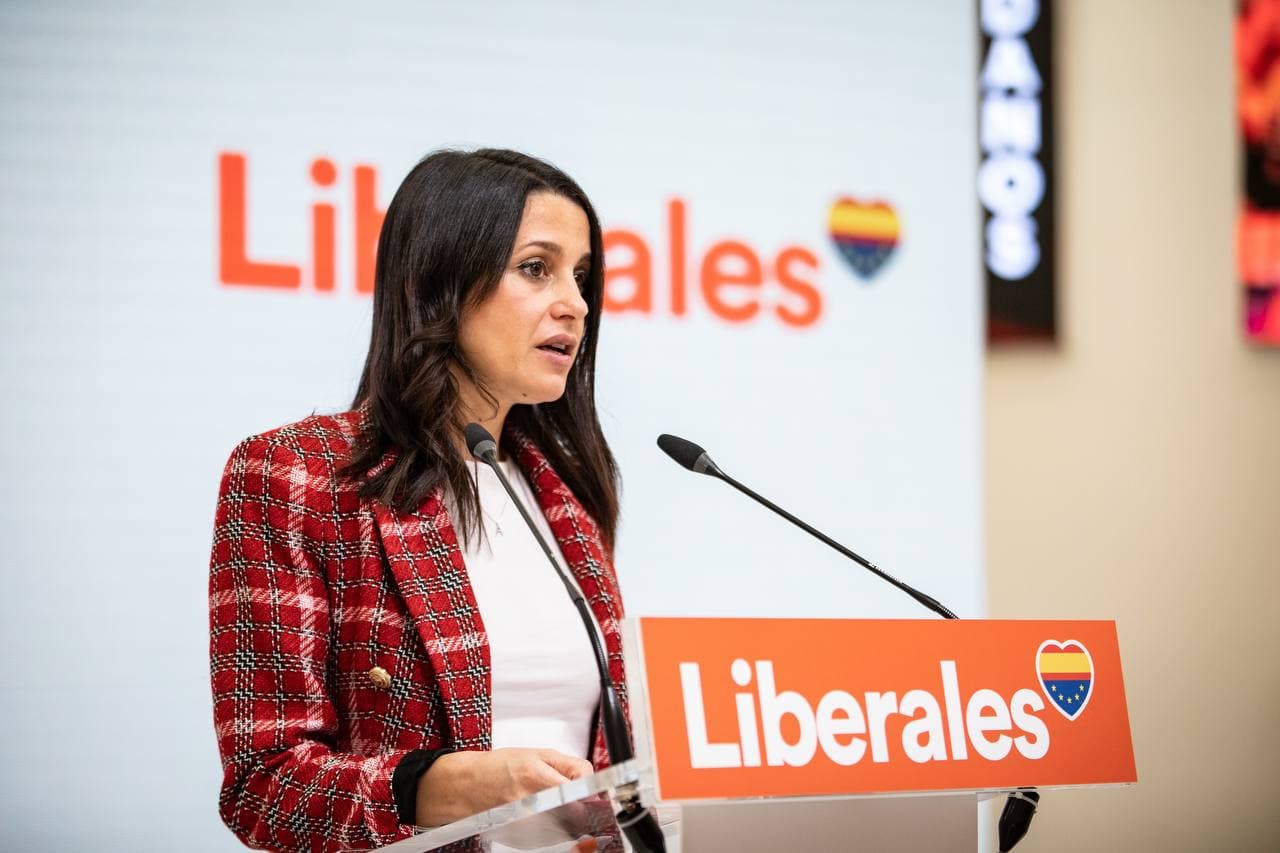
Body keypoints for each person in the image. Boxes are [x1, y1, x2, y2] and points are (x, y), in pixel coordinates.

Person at [208, 148, 628, 852]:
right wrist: (440, 787)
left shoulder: (569, 500)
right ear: (437, 278)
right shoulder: (295, 476)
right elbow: (262, 787)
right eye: (536, 267)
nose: (575, 304)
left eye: (581, 276)